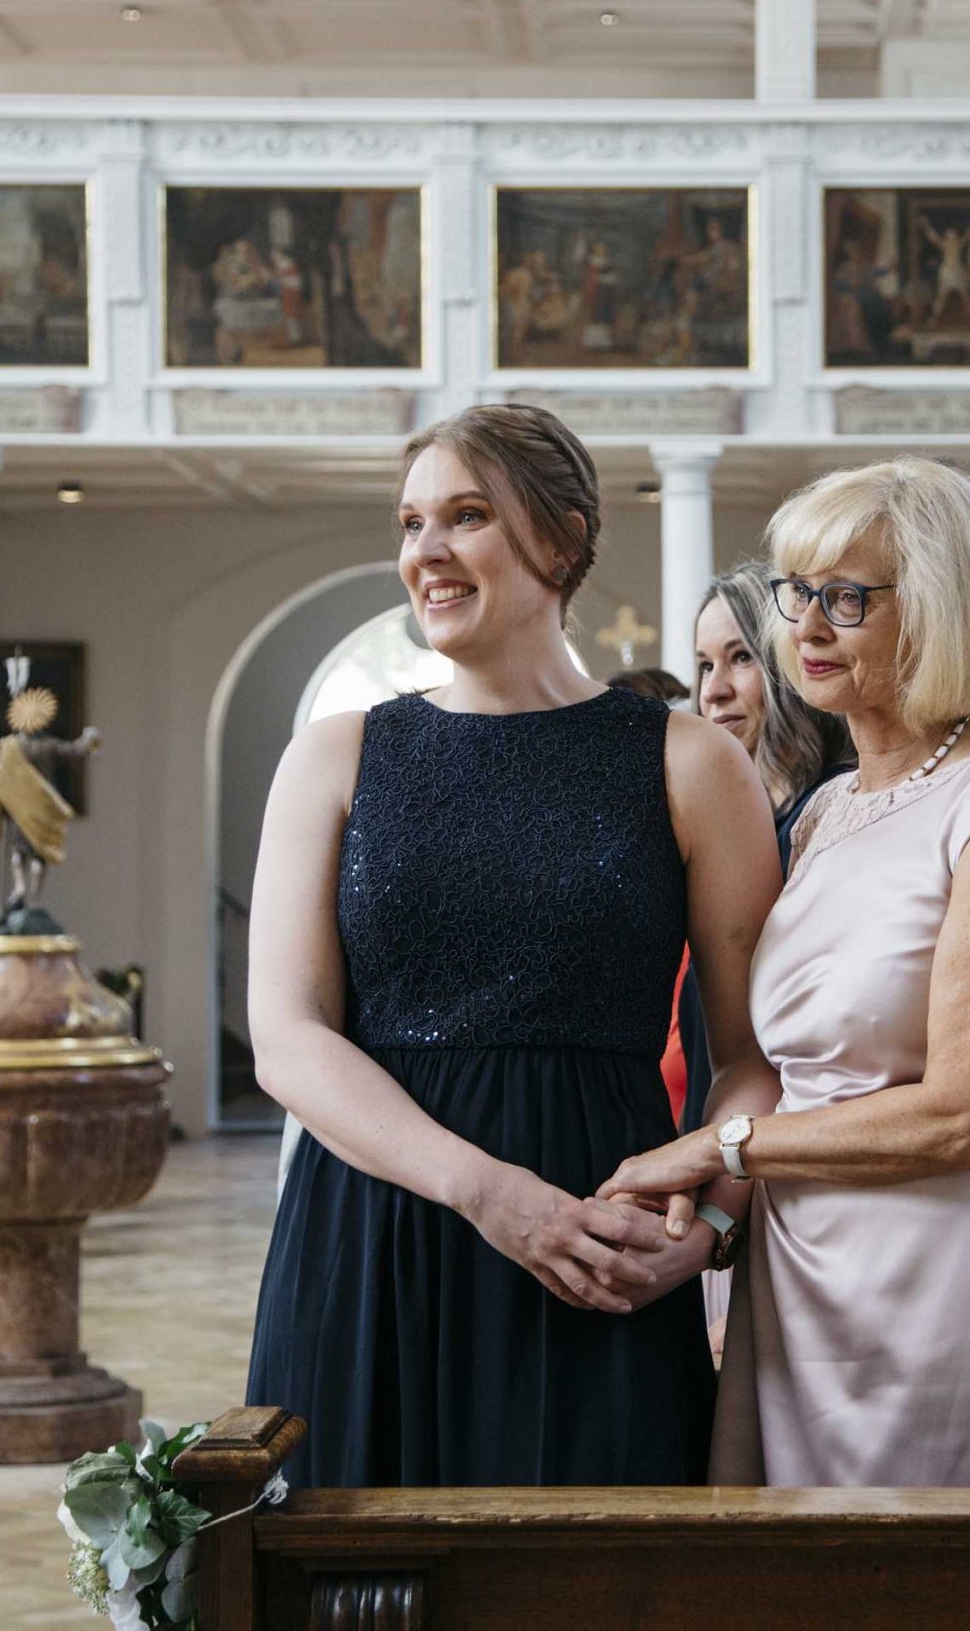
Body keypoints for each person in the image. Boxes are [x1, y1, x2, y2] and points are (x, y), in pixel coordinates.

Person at [241, 403, 783, 1487]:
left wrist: (708, 1231)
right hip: (374, 1229)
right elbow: (287, 1039)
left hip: (599, 1246)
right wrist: (486, 1191)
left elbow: (752, 1058)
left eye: (466, 516)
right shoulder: (336, 756)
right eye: (411, 524)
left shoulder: (688, 763)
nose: (425, 553)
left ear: (563, 541)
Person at [602, 456, 970, 1486]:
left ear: (942, 609)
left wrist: (724, 1146)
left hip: (935, 1285)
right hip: (796, 1268)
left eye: (846, 598)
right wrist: (713, 1218)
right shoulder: (828, 809)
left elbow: (966, 1119)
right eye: (797, 593)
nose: (806, 628)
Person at [671, 563, 852, 1127]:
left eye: (741, 658)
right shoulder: (724, 828)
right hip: (714, 1141)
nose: (713, 689)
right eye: (704, 666)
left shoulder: (834, 814)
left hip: (792, 1142)